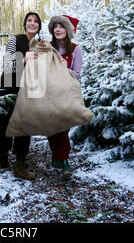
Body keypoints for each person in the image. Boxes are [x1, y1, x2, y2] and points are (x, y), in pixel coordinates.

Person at [0, 12, 42, 180]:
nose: (32, 23)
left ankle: (20, 164)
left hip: (27, 89)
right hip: (7, 87)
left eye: (36, 21)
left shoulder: (40, 44)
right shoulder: (16, 40)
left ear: (39, 26)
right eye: (29, 20)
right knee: (4, 124)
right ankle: (3, 157)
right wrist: (23, 58)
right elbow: (7, 65)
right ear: (24, 24)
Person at [47, 14, 83, 178]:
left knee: (62, 128)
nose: (58, 29)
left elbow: (76, 74)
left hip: (67, 92)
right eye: (56, 26)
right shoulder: (47, 47)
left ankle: (64, 160)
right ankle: (58, 157)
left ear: (67, 30)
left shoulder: (75, 49)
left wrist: (63, 67)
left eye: (62, 26)